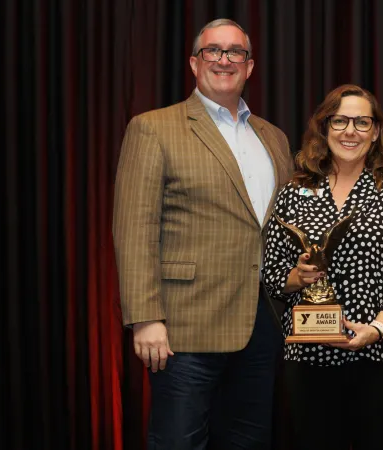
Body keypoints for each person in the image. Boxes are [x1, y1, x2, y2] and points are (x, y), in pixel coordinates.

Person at [112, 18, 294, 449]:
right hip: (183, 328)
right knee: (179, 441)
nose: (224, 60)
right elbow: (134, 225)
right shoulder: (153, 127)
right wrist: (145, 317)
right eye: (213, 50)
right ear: (194, 63)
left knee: (248, 440)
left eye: (236, 52)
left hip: (261, 323)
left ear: (250, 66)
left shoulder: (274, 137)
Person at [261, 84, 383, 450]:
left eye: (362, 122)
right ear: (324, 127)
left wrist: (379, 328)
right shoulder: (294, 191)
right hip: (309, 353)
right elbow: (272, 273)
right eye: (340, 121)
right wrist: (297, 276)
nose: (350, 131)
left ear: (376, 132)